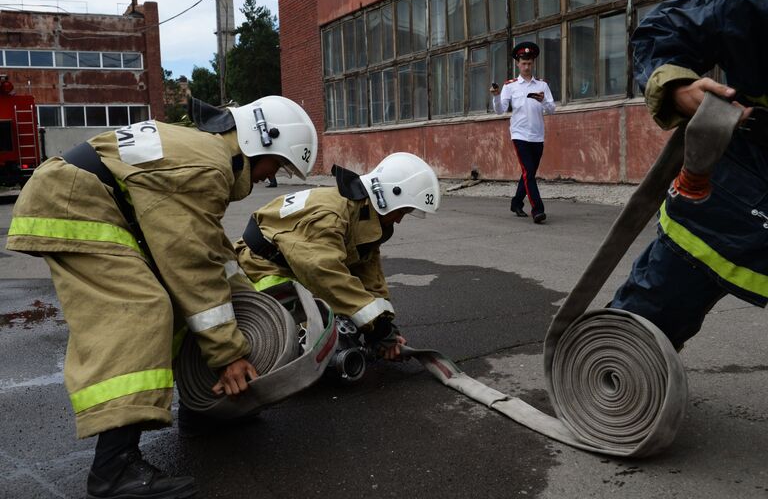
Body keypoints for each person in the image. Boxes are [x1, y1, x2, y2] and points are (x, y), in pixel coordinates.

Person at [5, 95, 318, 498]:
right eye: (278, 164)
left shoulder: (206, 154)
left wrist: (249, 306)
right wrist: (228, 352)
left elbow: (212, 255)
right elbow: (189, 262)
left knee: (185, 304)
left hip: (91, 200)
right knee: (142, 311)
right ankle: (113, 469)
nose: (272, 176)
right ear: (261, 143)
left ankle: (201, 411)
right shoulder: (210, 165)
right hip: (74, 203)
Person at [610, 0, 763, 352]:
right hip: (745, 187)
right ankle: (619, 364)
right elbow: (663, 30)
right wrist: (678, 87)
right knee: (645, 324)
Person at [234, 152, 440, 361]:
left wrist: (385, 327)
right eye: (402, 212)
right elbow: (324, 272)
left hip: (292, 264)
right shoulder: (332, 217)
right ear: (387, 197)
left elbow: (370, 276)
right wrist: (376, 329)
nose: (398, 221)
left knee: (345, 314)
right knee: (312, 339)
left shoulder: (362, 213)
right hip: (261, 266)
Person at [490, 41, 556, 224]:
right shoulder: (510, 86)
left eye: (529, 63)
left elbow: (552, 110)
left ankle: (516, 202)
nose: (526, 66)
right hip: (519, 135)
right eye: (523, 63)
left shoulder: (542, 85)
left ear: (533, 63)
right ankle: (537, 210)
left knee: (529, 173)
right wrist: (496, 96)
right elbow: (501, 110)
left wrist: (543, 101)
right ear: (517, 64)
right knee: (528, 171)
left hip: (537, 135)